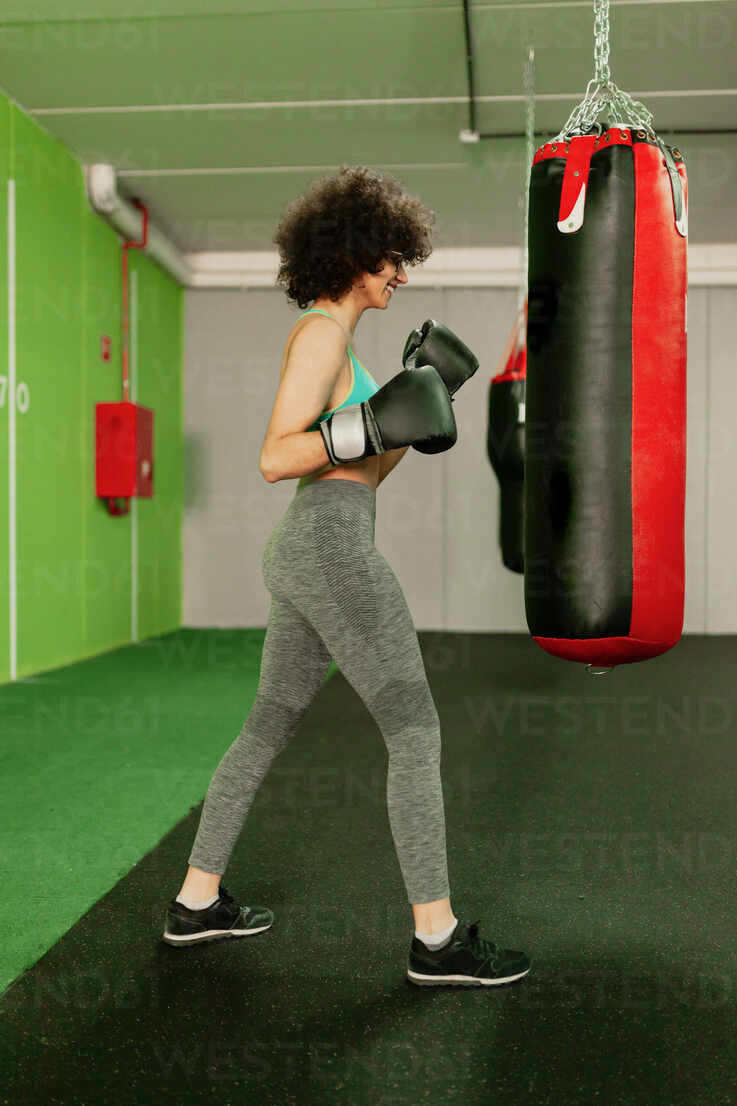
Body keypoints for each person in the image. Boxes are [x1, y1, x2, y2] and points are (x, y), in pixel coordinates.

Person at [163, 165, 531, 988]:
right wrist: (370, 420)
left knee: (266, 725)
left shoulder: (347, 347)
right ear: (357, 253)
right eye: (393, 256)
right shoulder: (320, 335)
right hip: (328, 549)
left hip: (318, 541)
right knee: (414, 729)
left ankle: (195, 902)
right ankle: (436, 943)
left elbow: (359, 470)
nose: (402, 272)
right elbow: (275, 457)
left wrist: (407, 406)